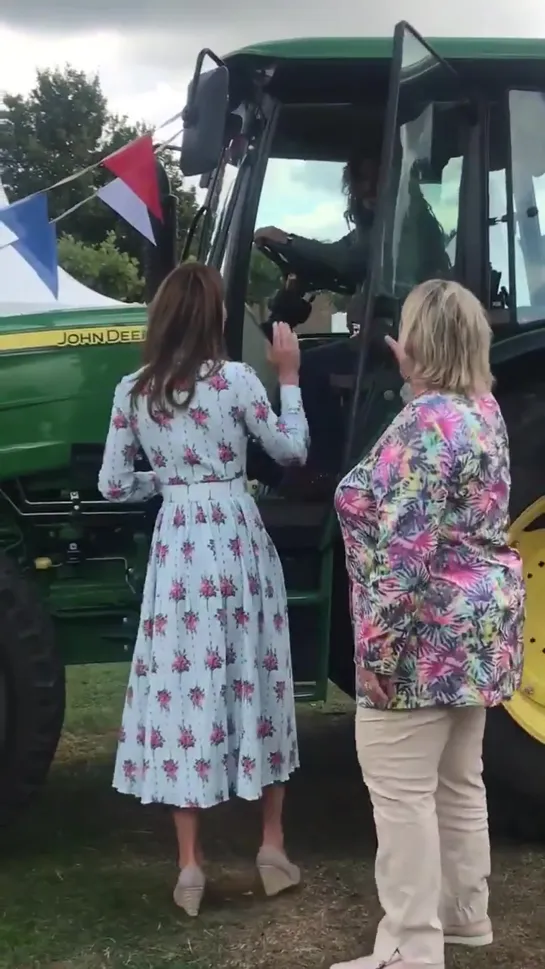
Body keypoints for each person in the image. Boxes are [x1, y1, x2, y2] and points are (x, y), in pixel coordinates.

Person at [98, 263, 309, 917]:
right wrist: (290, 379)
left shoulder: (134, 392)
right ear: (213, 317)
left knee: (182, 689)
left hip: (179, 548)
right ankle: (270, 846)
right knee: (259, 675)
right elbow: (292, 450)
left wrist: (163, 486)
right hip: (236, 541)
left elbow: (111, 484)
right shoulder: (237, 381)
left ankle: (190, 866)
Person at [333, 279, 525, 969]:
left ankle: (412, 947)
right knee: (456, 779)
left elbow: (404, 550)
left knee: (401, 793)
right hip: (475, 636)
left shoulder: (423, 425)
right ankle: (463, 915)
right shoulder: (484, 410)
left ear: (409, 345)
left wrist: (375, 649)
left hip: (418, 640)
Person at [254, 155, 379, 290]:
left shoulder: (388, 230)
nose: (369, 188)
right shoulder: (362, 231)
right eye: (361, 179)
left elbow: (350, 261)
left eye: (376, 179)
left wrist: (287, 240)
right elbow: (338, 250)